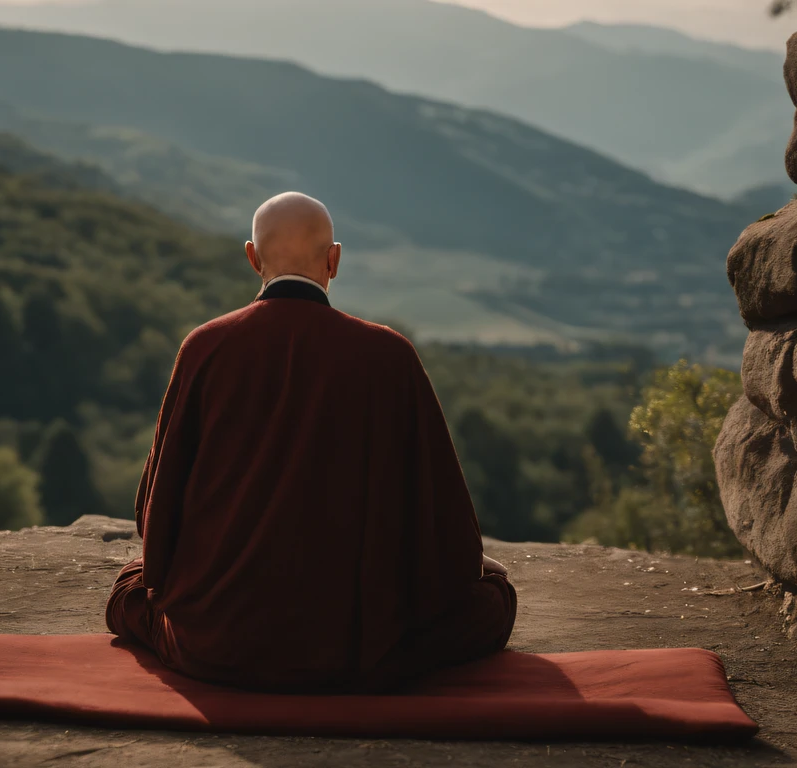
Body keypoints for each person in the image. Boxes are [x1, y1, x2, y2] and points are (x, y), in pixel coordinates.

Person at [106, 192, 515, 692]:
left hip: (216, 644)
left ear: (252, 258)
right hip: (358, 648)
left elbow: (156, 513)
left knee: (130, 587)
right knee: (493, 596)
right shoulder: (388, 355)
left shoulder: (205, 347)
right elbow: (446, 525)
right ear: (334, 259)